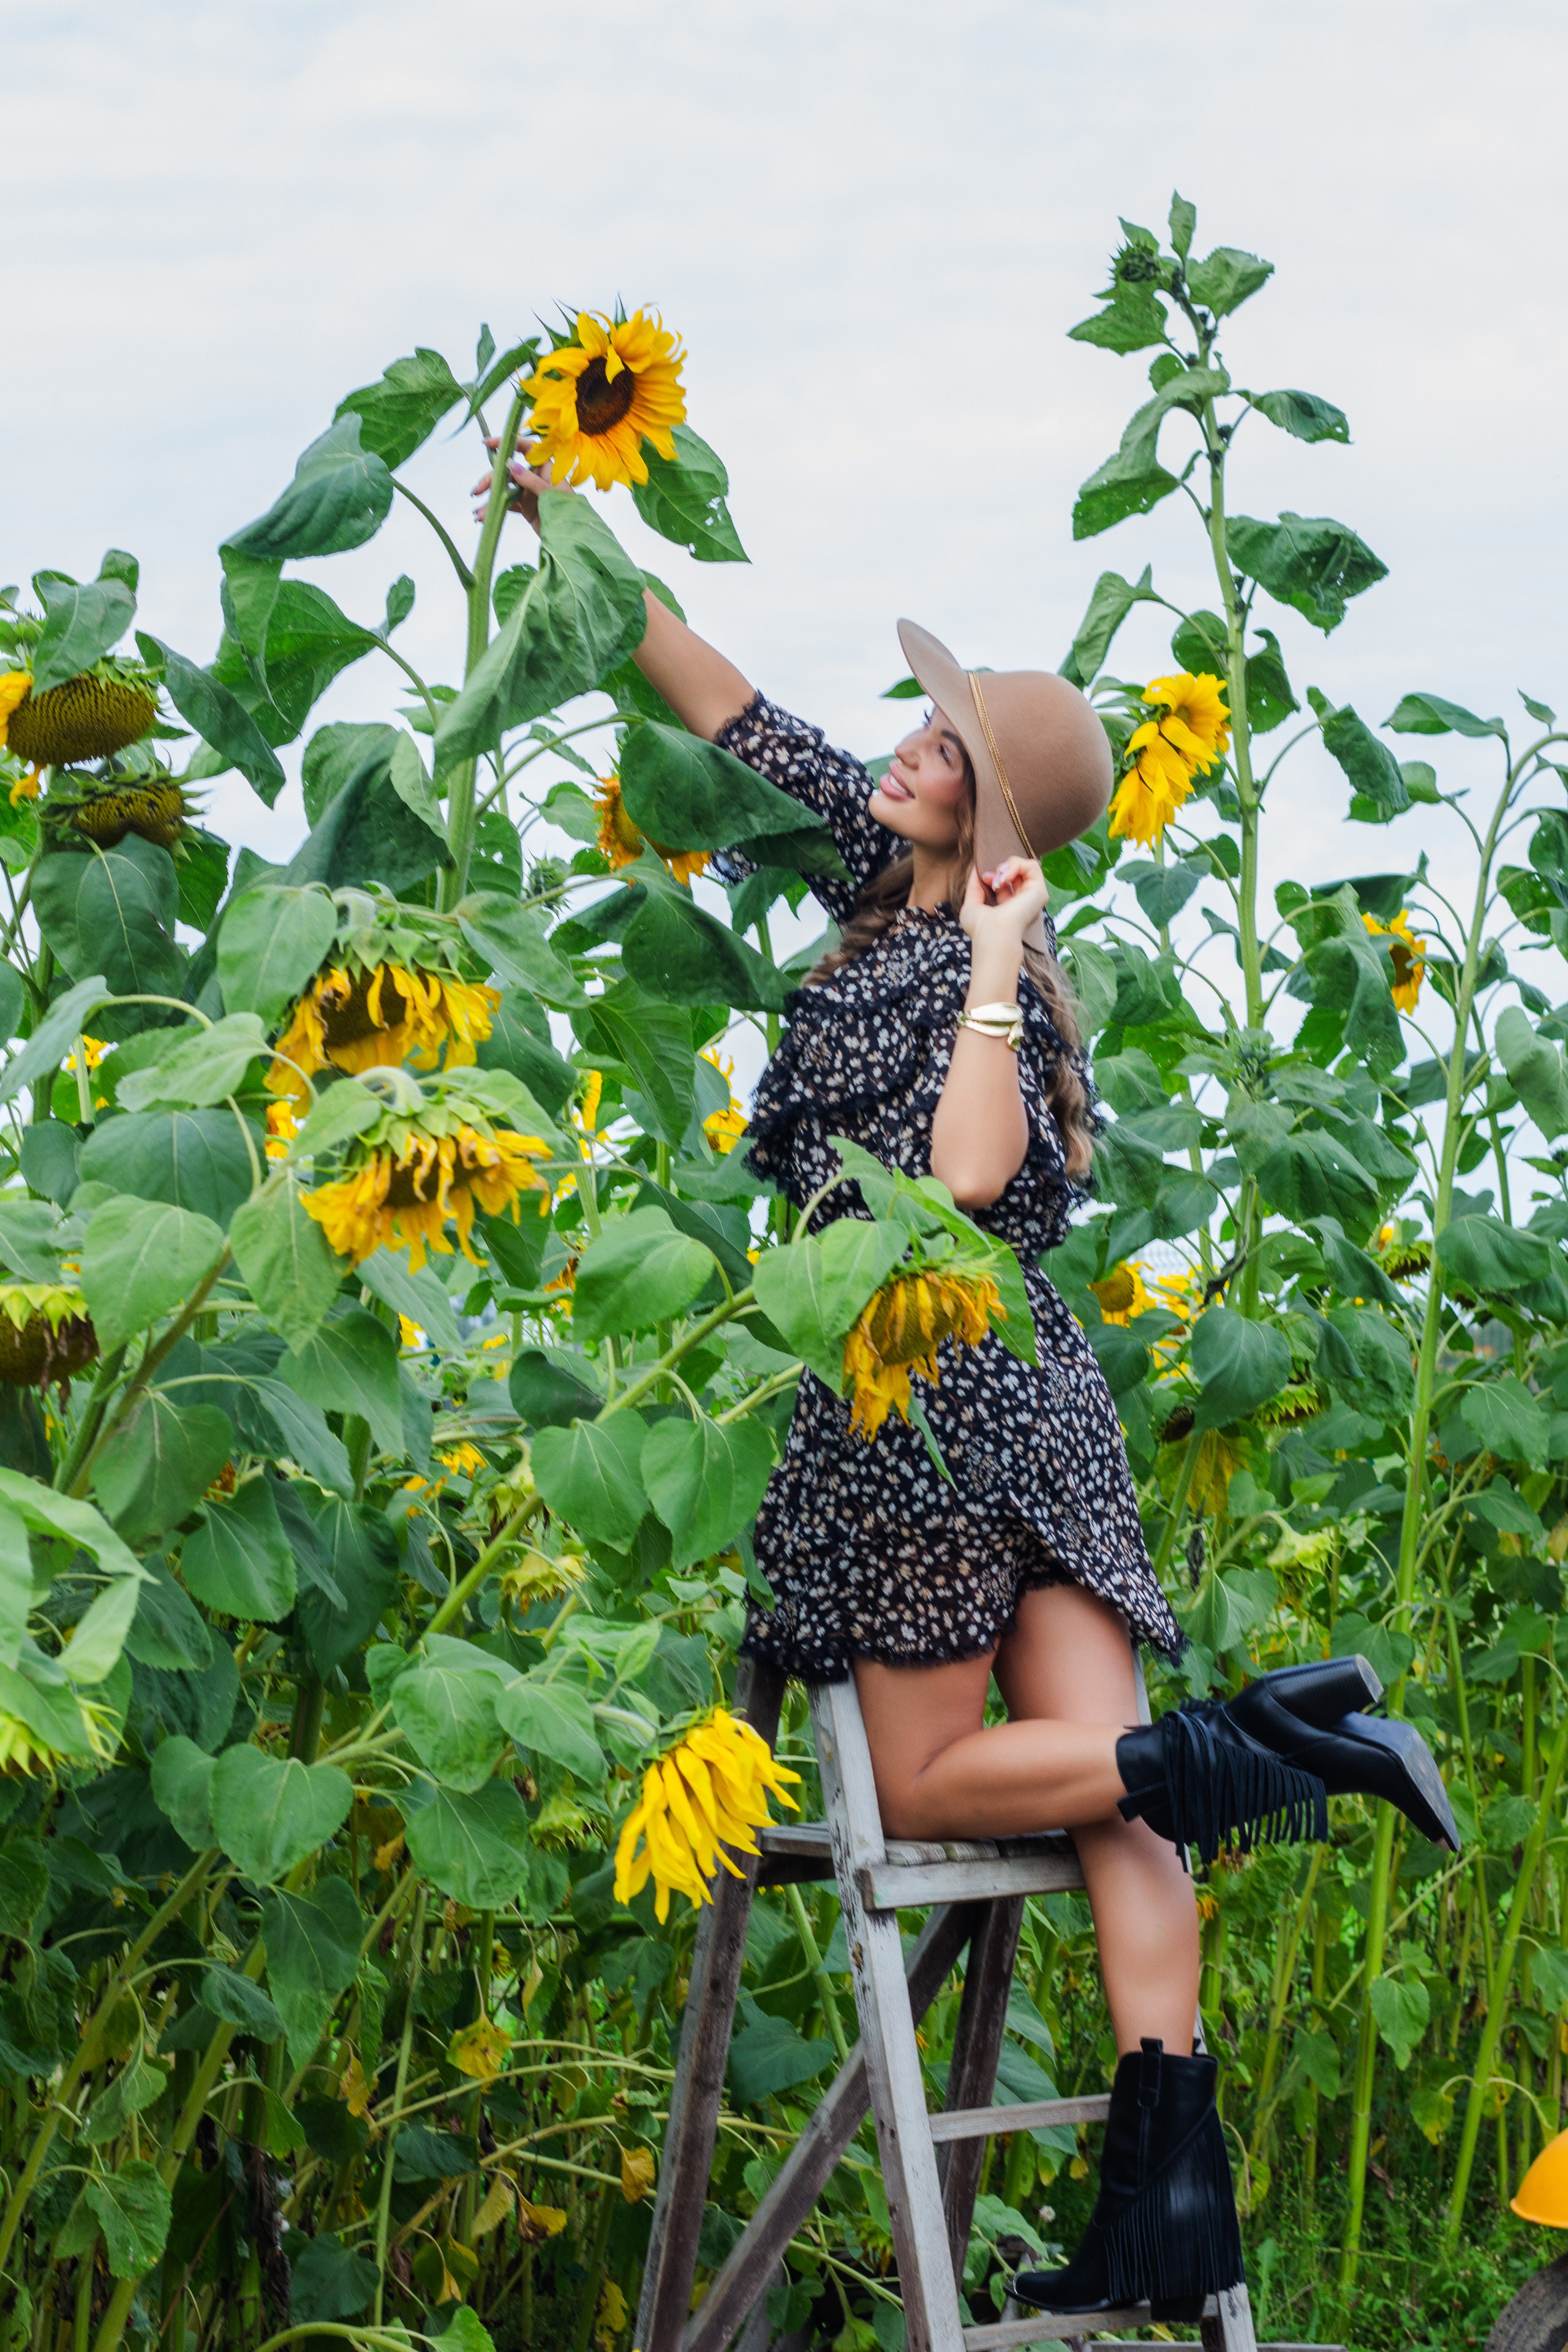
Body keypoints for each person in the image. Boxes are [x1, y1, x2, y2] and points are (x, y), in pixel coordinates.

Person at [481, 448, 1460, 2323]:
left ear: (990, 814)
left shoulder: (975, 950)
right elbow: (716, 693)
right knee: (1114, 1809)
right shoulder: (886, 854)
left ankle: (1271, 1740)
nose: (904, 750)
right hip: (1045, 1410)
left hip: (922, 1392)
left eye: (939, 746)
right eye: (921, 737)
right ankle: (1168, 2209)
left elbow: (981, 1183)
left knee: (940, 1774)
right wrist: (571, 531)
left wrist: (999, 965)